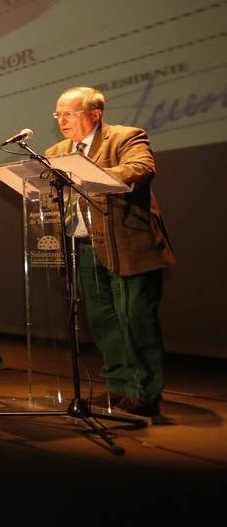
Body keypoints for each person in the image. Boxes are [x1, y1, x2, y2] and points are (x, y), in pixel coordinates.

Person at [45, 85, 176, 417]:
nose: (62, 120)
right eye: (58, 114)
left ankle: (145, 391)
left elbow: (140, 170)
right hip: (83, 246)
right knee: (103, 322)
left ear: (95, 113)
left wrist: (88, 176)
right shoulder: (57, 150)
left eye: (69, 114)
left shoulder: (125, 137)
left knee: (135, 319)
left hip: (128, 244)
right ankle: (118, 385)